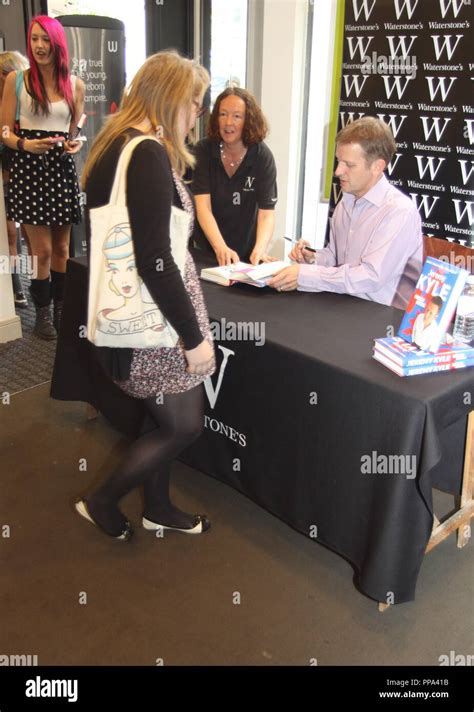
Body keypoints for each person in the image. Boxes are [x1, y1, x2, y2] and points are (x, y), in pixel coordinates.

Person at [76, 51, 215, 540]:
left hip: (131, 314)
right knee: (182, 425)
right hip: (157, 322)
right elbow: (156, 259)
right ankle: (101, 500)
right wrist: (194, 336)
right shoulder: (148, 153)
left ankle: (157, 507)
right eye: (195, 104)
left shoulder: (113, 145)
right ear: (172, 97)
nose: (197, 116)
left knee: (163, 419)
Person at [268, 117, 422, 309]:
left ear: (377, 167)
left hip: (382, 320)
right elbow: (336, 258)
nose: (338, 171)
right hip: (344, 307)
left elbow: (370, 277)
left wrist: (307, 275)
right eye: (339, 161)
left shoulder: (399, 212)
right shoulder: (347, 201)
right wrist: (313, 258)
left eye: (349, 165)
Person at [1, 16, 84, 339]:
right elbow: (4, 130)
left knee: (63, 249)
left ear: (57, 43)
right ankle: (43, 314)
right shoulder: (17, 82)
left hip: (60, 167)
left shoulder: (75, 84)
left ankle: (62, 309)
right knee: (42, 251)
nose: (39, 46)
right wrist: (24, 144)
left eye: (45, 40)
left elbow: (75, 129)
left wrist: (74, 144)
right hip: (28, 166)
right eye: (34, 39)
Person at [192, 86, 278, 266]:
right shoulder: (203, 151)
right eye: (223, 114)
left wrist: (260, 249)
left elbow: (266, 213)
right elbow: (203, 207)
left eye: (237, 116)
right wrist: (220, 247)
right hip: (207, 253)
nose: (228, 122)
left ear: (249, 121)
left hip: (246, 256)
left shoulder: (262, 157)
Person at [0, 50, 29, 308]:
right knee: (9, 235)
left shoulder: (29, 107)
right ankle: (15, 286)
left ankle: (36, 285)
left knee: (27, 237)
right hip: (5, 181)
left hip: (26, 179)